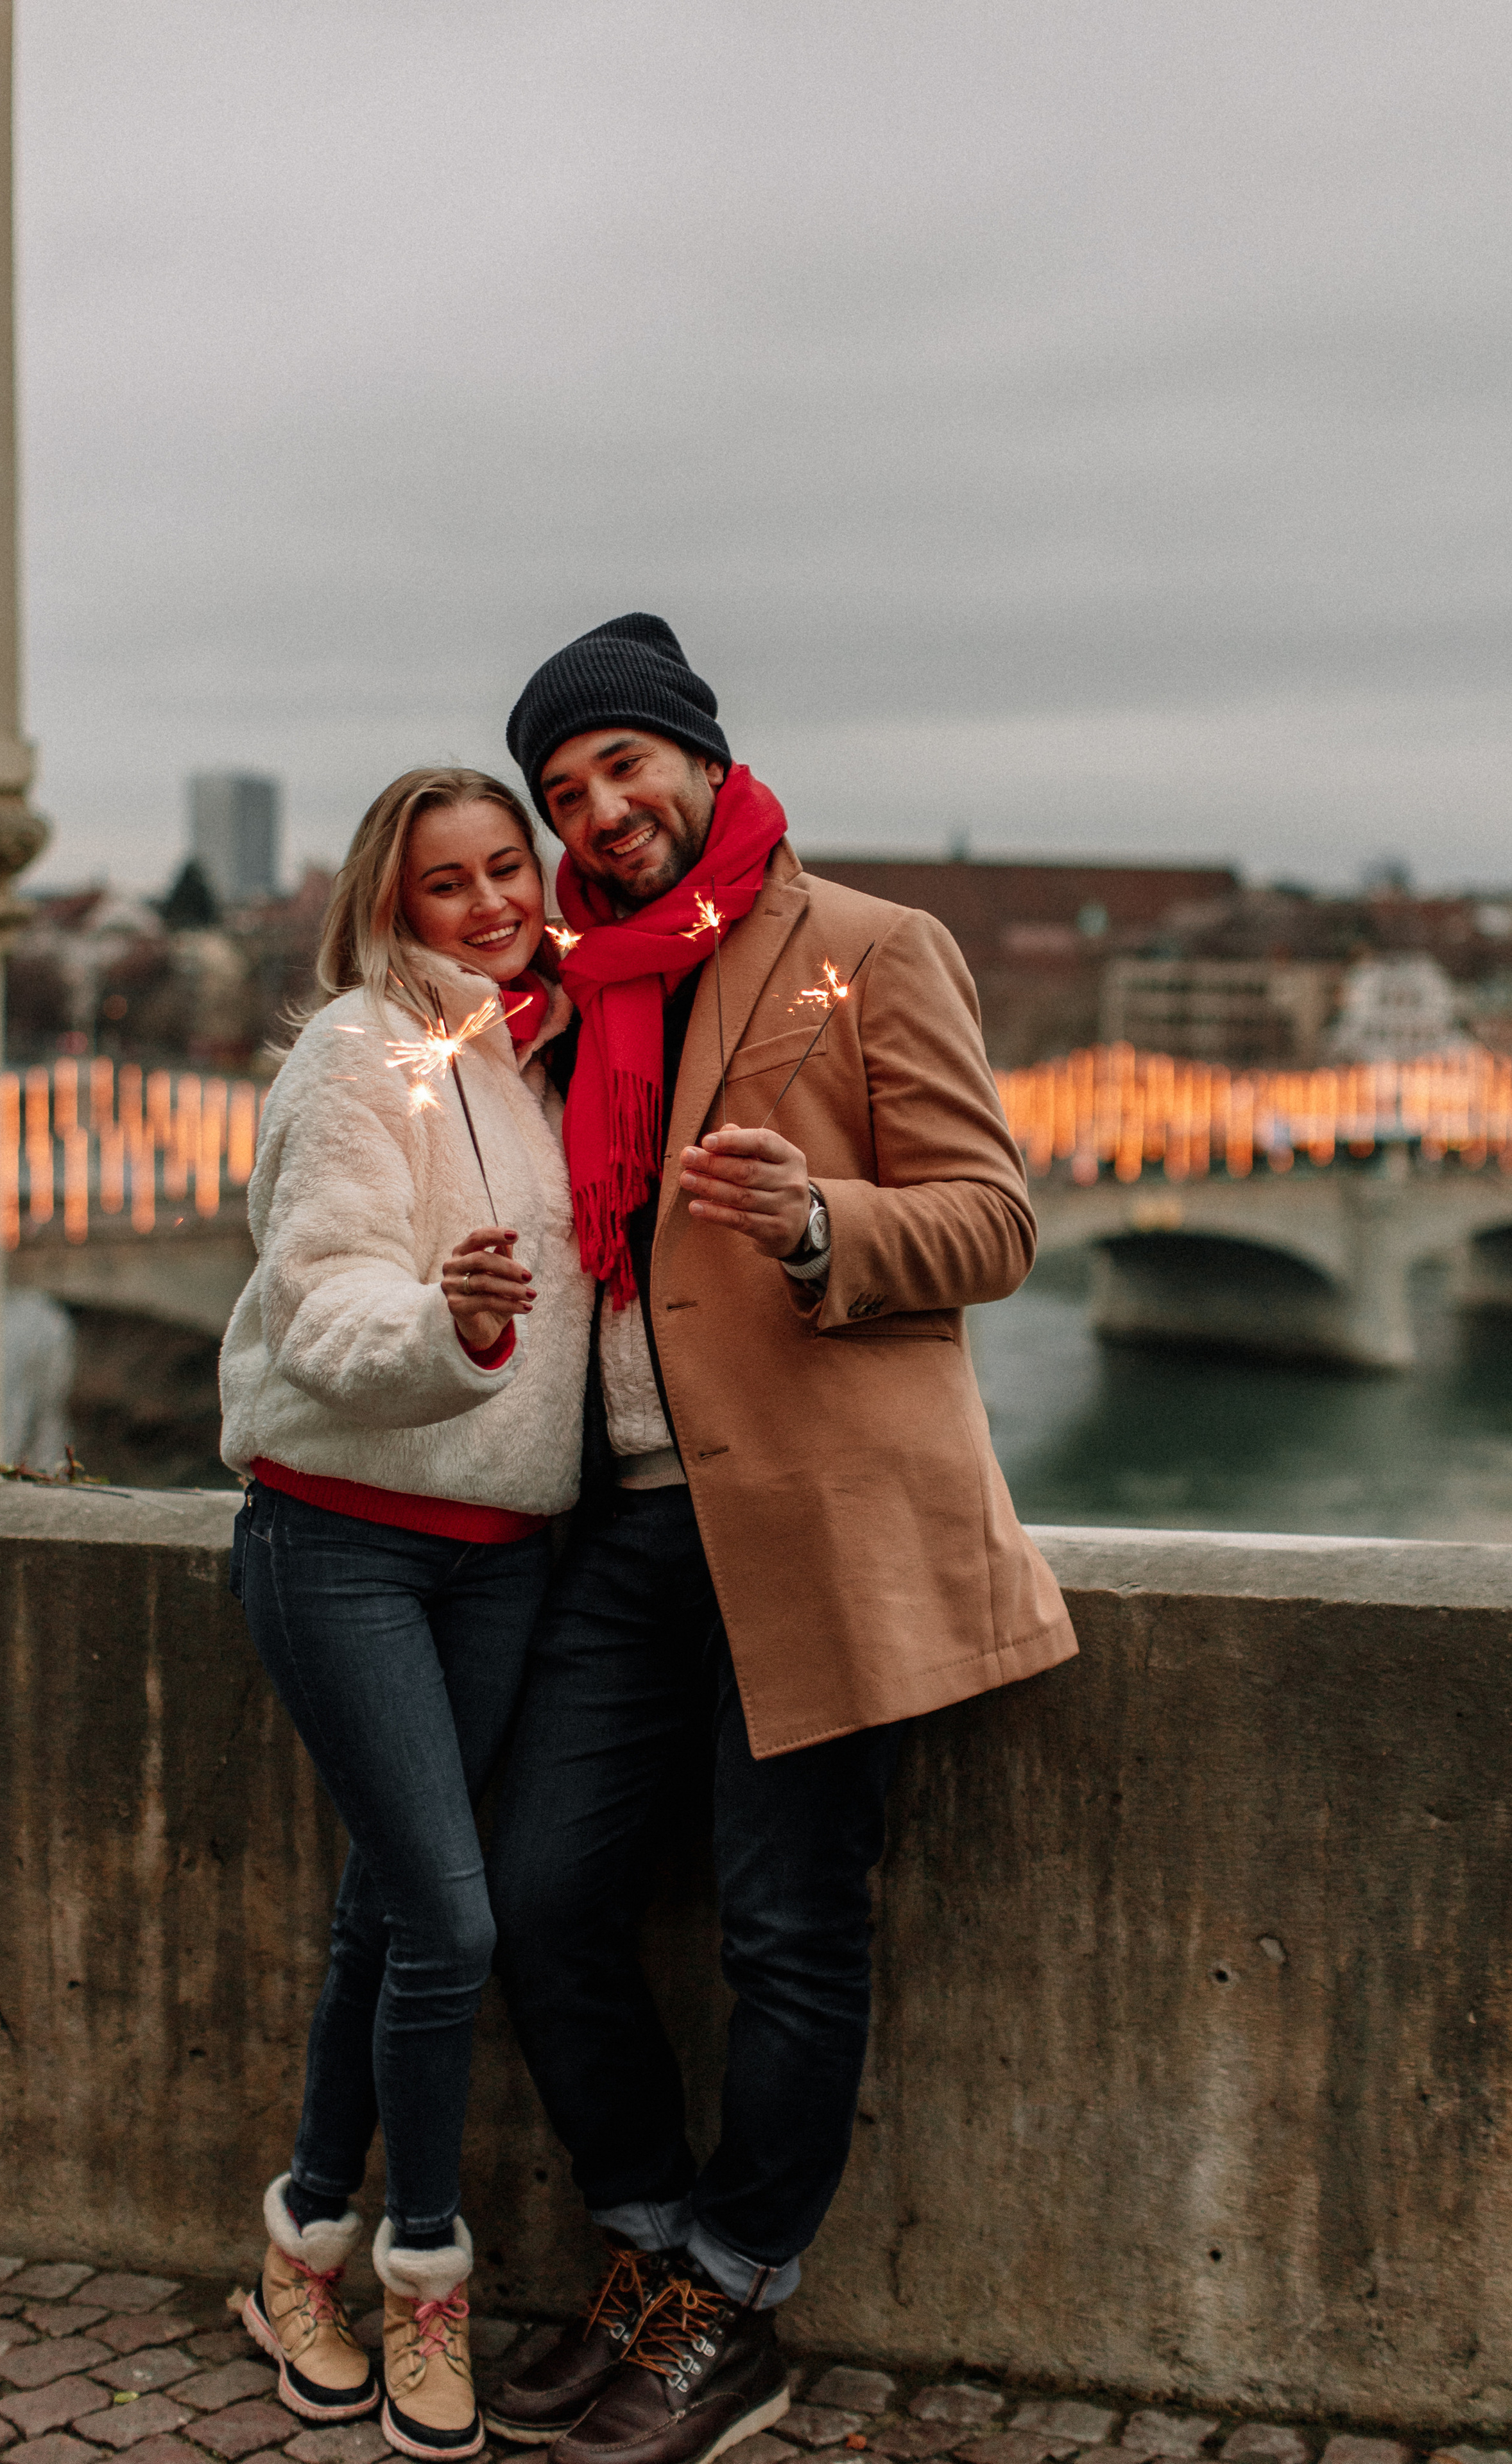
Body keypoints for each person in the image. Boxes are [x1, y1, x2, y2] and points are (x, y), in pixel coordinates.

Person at [483, 617, 1078, 2464]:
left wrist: (822, 1222)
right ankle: (653, 2238)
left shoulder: (872, 951)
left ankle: (736, 2295)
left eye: (620, 768)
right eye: (564, 790)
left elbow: (991, 1221)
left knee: (787, 1926)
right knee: (538, 1896)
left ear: (698, 758)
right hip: (631, 1532)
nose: (599, 810)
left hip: (810, 1526)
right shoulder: (571, 989)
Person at [219, 766, 592, 2461]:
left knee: (392, 1909)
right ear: (392, 904)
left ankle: (295, 2246)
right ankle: (419, 2276)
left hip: (505, 1551)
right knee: (449, 1925)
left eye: (509, 866)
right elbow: (322, 1292)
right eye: (449, 882)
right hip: (345, 1542)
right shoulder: (357, 1052)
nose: (491, 900)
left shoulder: (540, 1054)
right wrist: (448, 1322)